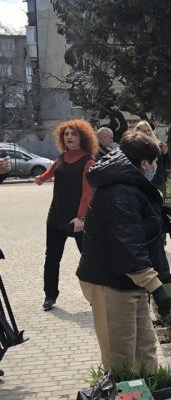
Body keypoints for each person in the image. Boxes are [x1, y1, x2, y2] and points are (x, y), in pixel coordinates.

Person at [77, 131, 171, 374]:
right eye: (154, 162)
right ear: (143, 164)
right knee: (120, 359)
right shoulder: (120, 192)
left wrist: (161, 278)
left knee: (145, 351)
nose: (155, 168)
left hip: (131, 283)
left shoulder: (132, 187)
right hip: (111, 284)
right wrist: (157, 287)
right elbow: (129, 246)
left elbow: (145, 239)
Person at [34, 119, 97, 311]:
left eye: (74, 134)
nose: (69, 137)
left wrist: (81, 218)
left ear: (82, 137)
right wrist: (40, 179)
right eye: (66, 134)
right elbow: (48, 174)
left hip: (77, 220)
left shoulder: (89, 161)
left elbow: (87, 193)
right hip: (56, 217)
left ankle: (95, 295)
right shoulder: (61, 158)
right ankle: (49, 295)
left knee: (88, 258)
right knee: (51, 257)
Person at [133, 120, 169, 196]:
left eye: (149, 130)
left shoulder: (158, 144)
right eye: (144, 131)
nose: (147, 133)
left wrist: (165, 154)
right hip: (143, 184)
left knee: (159, 207)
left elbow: (165, 165)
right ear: (138, 132)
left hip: (158, 183)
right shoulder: (134, 146)